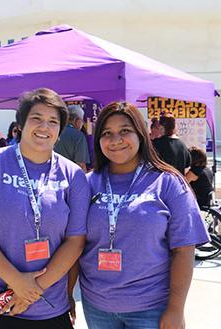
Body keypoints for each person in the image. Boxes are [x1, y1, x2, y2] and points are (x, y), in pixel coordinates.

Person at [0, 88, 90, 329]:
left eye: (53, 121)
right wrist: (16, 281)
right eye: (36, 118)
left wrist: (30, 291)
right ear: (21, 124)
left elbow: (75, 241)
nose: (44, 127)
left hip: (47, 308)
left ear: (60, 131)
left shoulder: (74, 175)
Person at [71, 101, 209, 329]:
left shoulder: (168, 183)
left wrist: (176, 309)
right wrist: (67, 294)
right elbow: (74, 245)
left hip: (151, 308)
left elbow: (184, 249)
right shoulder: (87, 183)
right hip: (97, 307)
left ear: (141, 134)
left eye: (125, 131)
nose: (116, 140)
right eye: (107, 133)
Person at [54, 104, 90, 172]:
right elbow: (81, 165)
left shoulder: (54, 132)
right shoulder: (79, 136)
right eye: (82, 121)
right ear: (77, 120)